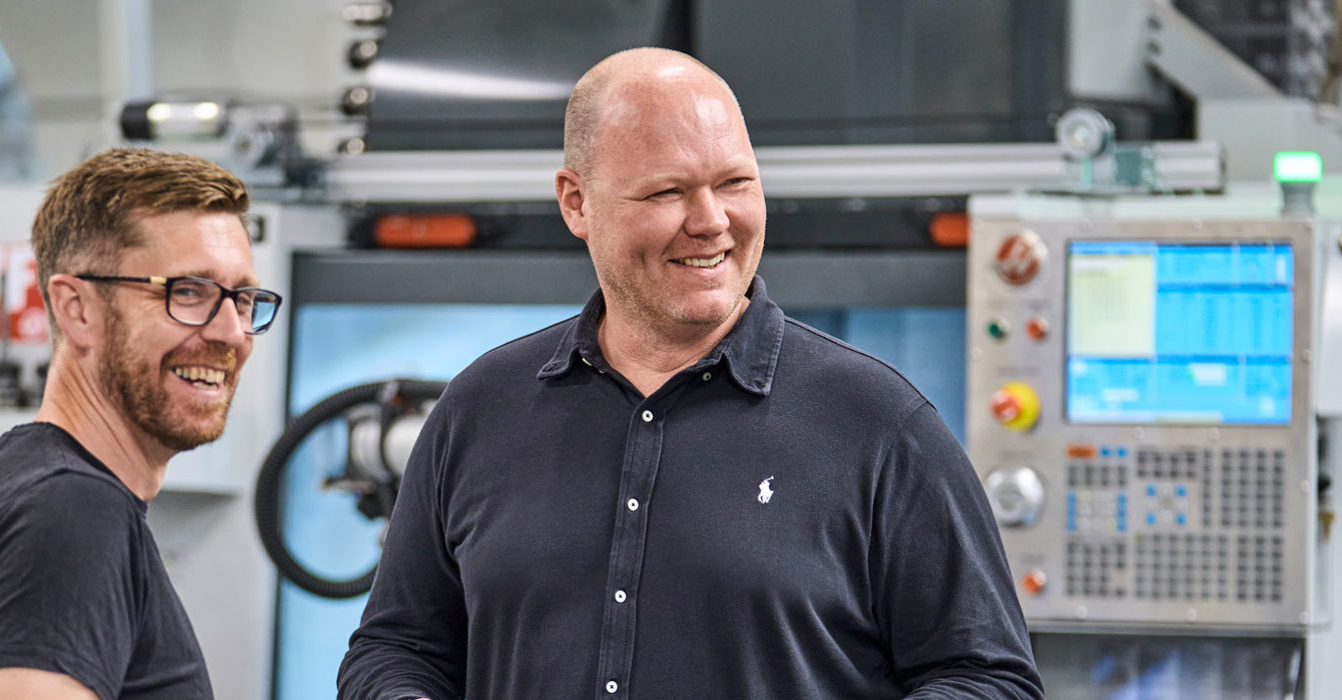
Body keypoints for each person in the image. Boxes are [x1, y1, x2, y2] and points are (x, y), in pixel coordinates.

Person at [338, 48, 1042, 699]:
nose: (711, 222)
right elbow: (397, 646)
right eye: (667, 192)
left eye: (734, 182)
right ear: (575, 202)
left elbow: (986, 677)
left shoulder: (878, 422)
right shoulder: (481, 407)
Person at [0, 148, 283, 700]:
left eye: (243, 299)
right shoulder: (70, 514)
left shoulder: (27, 488)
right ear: (77, 308)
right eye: (187, 292)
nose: (231, 333)